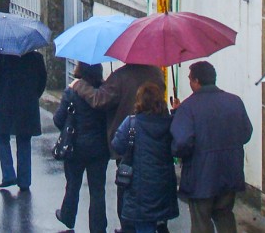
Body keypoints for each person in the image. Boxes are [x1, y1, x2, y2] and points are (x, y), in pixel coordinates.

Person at [71, 62, 165, 231]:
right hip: (155, 137)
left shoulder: (120, 76)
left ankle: (127, 226)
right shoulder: (156, 73)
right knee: (154, 181)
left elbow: (99, 99)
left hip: (127, 140)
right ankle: (155, 221)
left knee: (126, 184)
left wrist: (80, 85)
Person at [170, 62, 253, 233]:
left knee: (201, 223)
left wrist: (177, 115)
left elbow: (181, 144)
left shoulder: (188, 107)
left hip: (200, 177)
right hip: (230, 173)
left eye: (190, 78)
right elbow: (246, 133)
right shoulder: (234, 101)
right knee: (225, 216)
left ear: (197, 80)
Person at [112, 83, 179, 233]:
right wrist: (176, 113)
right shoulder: (170, 123)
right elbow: (178, 145)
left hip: (139, 187)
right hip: (164, 185)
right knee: (160, 220)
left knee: (144, 224)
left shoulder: (131, 123)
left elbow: (117, 146)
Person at [54, 62, 111, 233]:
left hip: (75, 147)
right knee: (98, 190)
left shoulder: (71, 92)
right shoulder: (104, 93)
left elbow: (58, 119)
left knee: (73, 184)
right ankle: (98, 227)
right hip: (100, 148)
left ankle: (67, 216)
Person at [0, 50, 47, 191]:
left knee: (1, 137)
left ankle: (8, 174)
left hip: (6, 104)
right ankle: (24, 181)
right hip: (28, 105)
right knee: (24, 140)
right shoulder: (36, 57)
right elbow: (42, 82)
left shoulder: (1, 56)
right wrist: (32, 95)